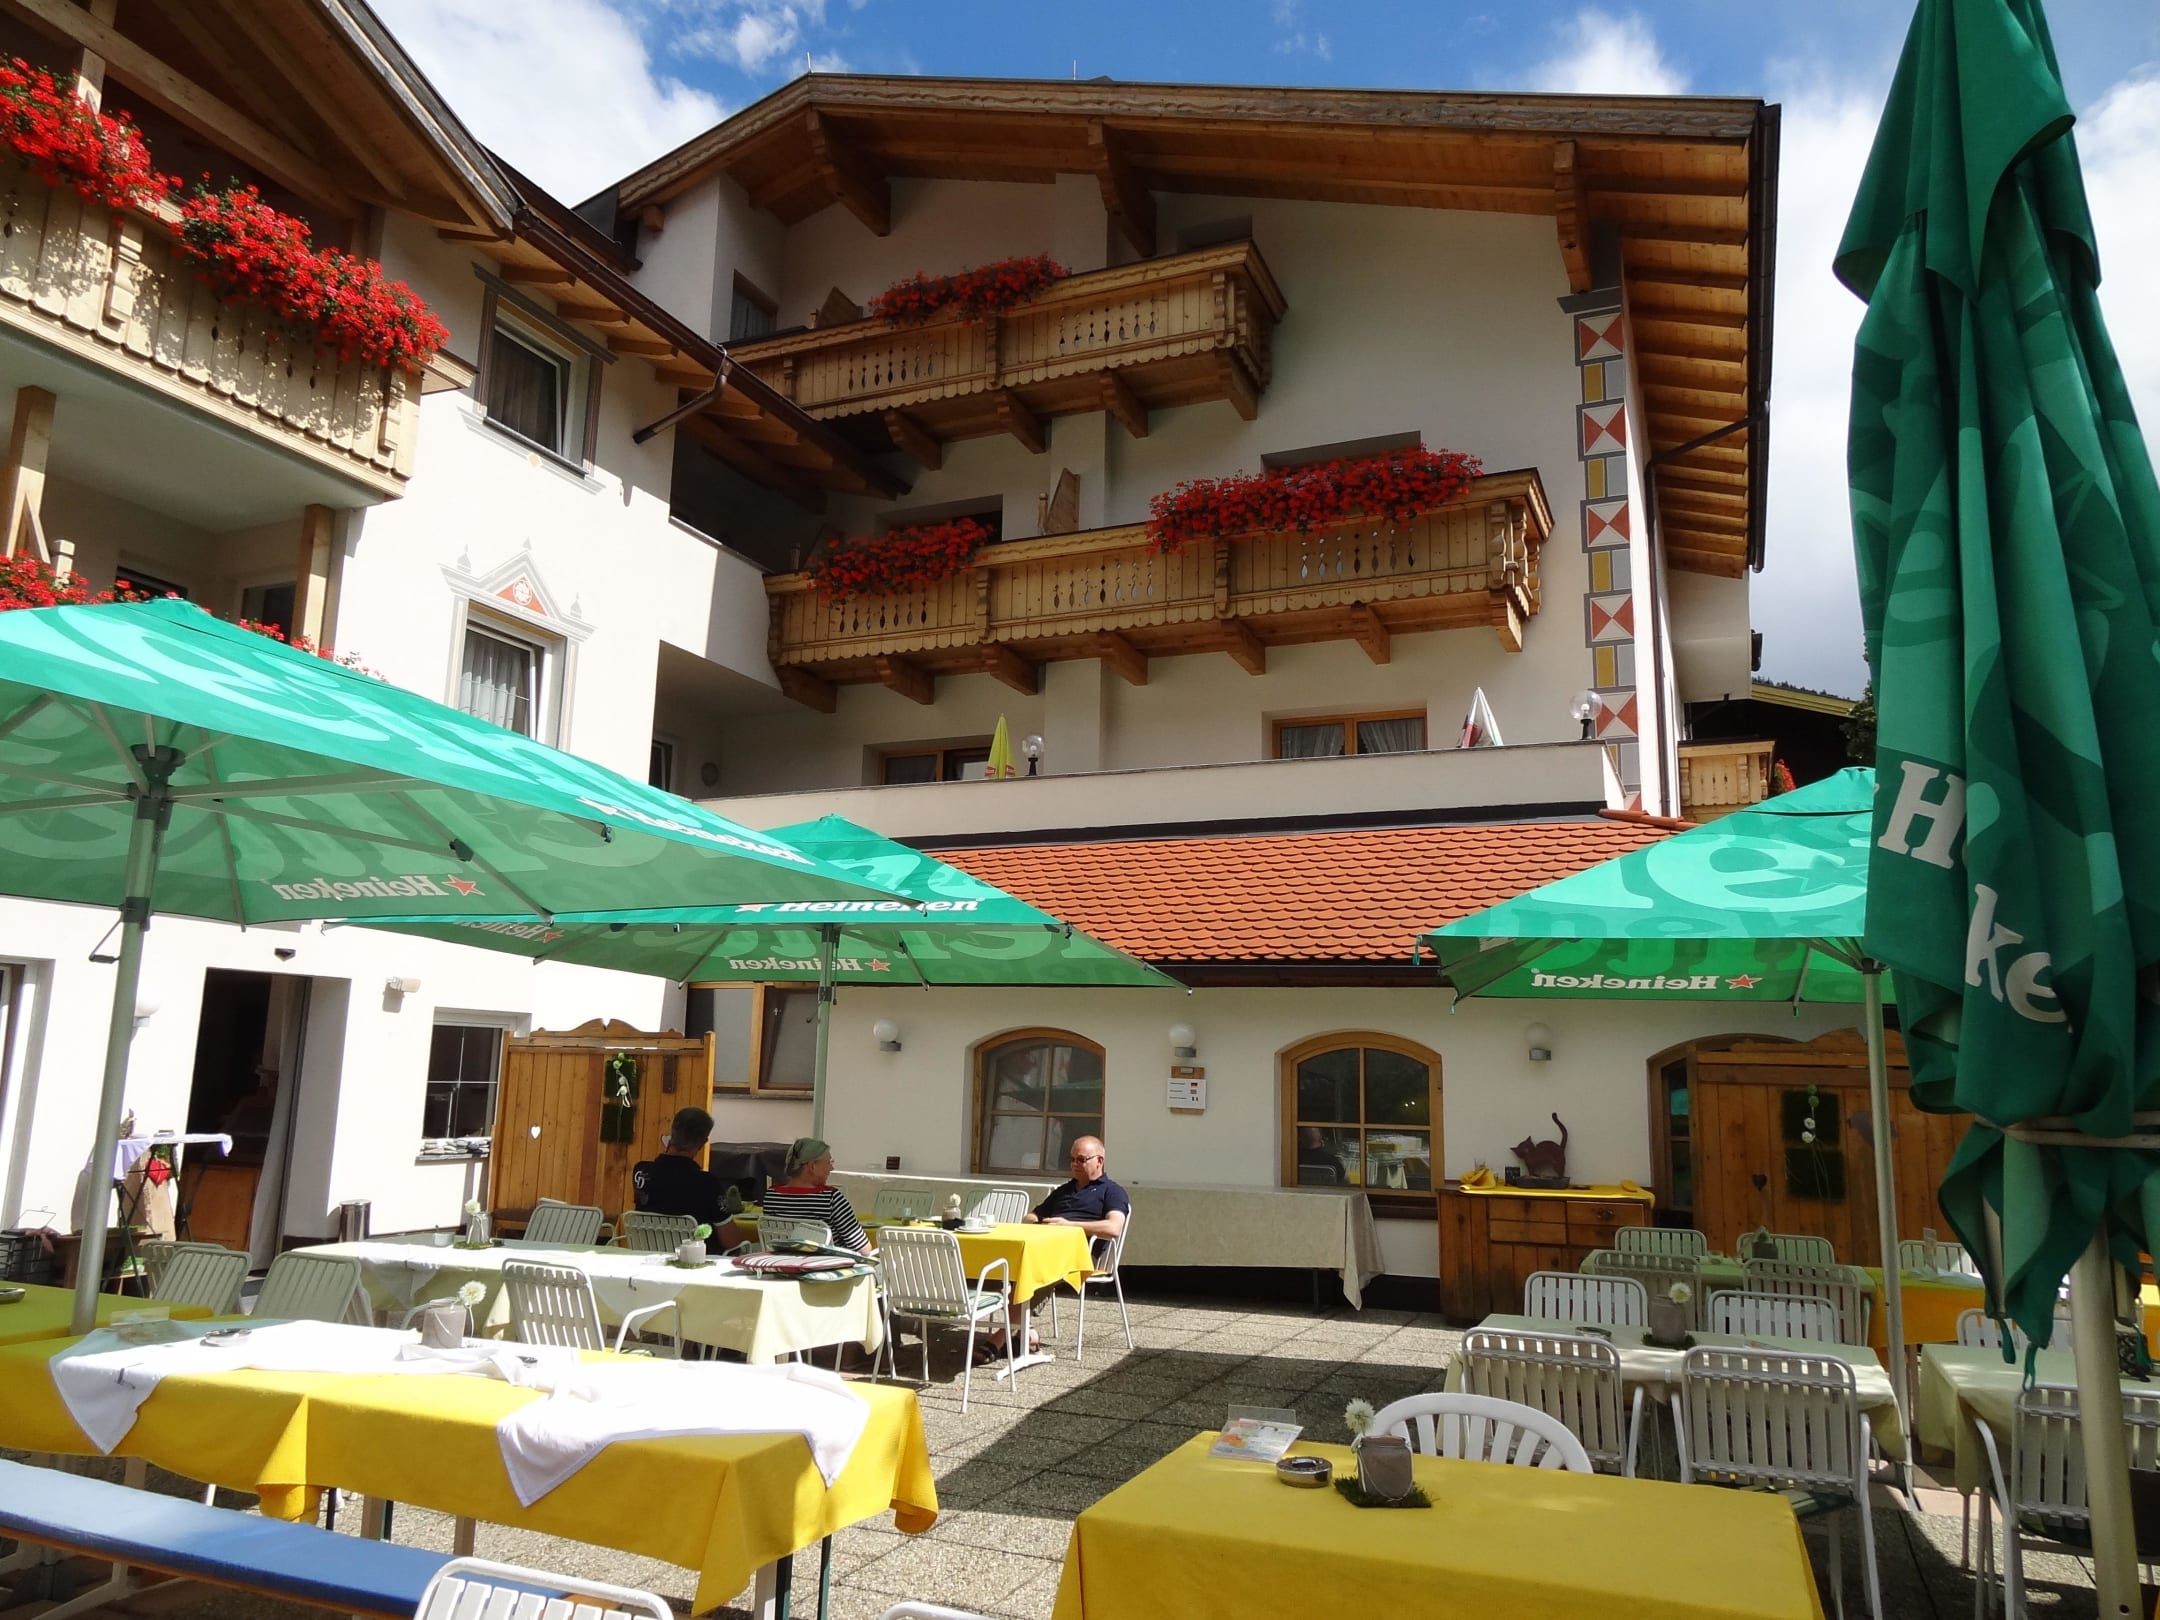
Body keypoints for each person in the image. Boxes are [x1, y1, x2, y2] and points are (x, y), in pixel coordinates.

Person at [1000, 1134, 1129, 1353]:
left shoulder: (1112, 1191)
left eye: (1081, 1159)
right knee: (1013, 1268)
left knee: (1027, 1272)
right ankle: (1025, 1331)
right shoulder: (1063, 1191)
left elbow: (1113, 1227)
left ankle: (1000, 1338)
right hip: (1047, 1250)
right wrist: (1037, 1222)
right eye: (1072, 1159)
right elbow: (1032, 1216)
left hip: (1081, 1257)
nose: (1075, 1164)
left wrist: (1069, 1225)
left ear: (1099, 1160)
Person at [630, 1106, 744, 1253]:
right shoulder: (707, 1183)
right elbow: (731, 1241)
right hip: (696, 1260)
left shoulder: (641, 1172)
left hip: (649, 1256)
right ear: (703, 1142)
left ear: (672, 1133)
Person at [760, 1137, 869, 1253]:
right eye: (828, 1162)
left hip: (784, 1261)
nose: (831, 1168)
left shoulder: (772, 1196)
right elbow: (863, 1249)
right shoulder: (831, 1199)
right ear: (812, 1166)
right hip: (824, 1263)